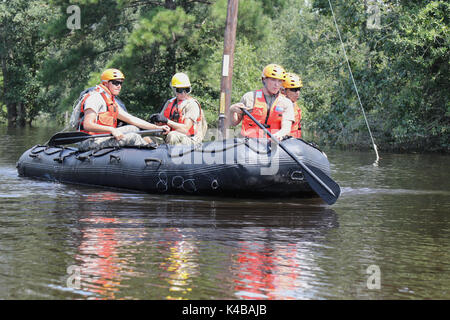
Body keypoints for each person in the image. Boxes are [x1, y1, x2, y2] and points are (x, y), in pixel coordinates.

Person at [76, 68, 170, 151]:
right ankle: (150, 149)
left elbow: (131, 119)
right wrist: (112, 130)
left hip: (103, 136)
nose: (119, 86)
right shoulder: (95, 98)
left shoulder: (110, 100)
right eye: (115, 83)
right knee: (133, 137)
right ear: (105, 83)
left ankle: (147, 145)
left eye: (120, 83)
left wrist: (157, 128)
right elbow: (88, 125)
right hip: (89, 141)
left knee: (134, 128)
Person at [228, 64, 294, 140]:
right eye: (273, 80)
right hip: (248, 143)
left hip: (272, 144)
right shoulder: (249, 97)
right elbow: (233, 123)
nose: (276, 84)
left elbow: (286, 128)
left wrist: (278, 135)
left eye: (279, 81)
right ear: (264, 79)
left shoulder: (286, 103)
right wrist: (231, 111)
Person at [150, 72, 207, 145]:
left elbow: (185, 129)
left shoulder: (192, 104)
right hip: (170, 136)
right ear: (174, 90)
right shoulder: (169, 102)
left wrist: (167, 121)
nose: (183, 93)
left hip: (191, 140)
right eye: (180, 90)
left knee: (173, 135)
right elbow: (161, 122)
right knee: (148, 137)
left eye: (186, 90)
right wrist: (155, 120)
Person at [281, 72, 303, 138]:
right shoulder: (278, 105)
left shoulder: (294, 104)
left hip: (293, 143)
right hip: (281, 143)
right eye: (294, 90)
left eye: (299, 89)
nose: (297, 93)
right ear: (283, 90)